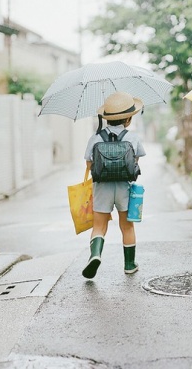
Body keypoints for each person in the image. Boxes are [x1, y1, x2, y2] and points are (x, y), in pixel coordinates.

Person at [82, 91, 146, 279]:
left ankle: (95, 255)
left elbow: (88, 164)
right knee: (127, 227)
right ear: (127, 119)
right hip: (124, 188)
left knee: (99, 226)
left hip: (102, 187)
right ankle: (129, 264)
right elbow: (135, 162)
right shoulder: (132, 137)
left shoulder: (95, 138)